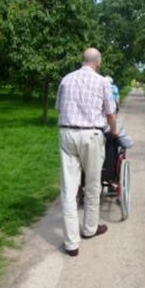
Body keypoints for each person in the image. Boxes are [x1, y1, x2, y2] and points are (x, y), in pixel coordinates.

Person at [55, 48, 118, 257]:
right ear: (98, 63)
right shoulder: (102, 82)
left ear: (82, 60)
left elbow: (59, 107)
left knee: (69, 188)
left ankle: (71, 243)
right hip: (91, 135)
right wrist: (115, 132)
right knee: (92, 184)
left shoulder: (66, 79)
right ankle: (90, 228)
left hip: (67, 133)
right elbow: (110, 113)